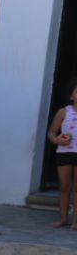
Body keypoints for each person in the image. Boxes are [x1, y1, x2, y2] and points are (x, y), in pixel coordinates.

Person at [45, 76, 77, 229]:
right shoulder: (63, 112)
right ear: (71, 95)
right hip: (64, 153)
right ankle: (63, 219)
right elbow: (51, 133)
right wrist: (57, 140)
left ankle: (76, 222)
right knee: (64, 187)